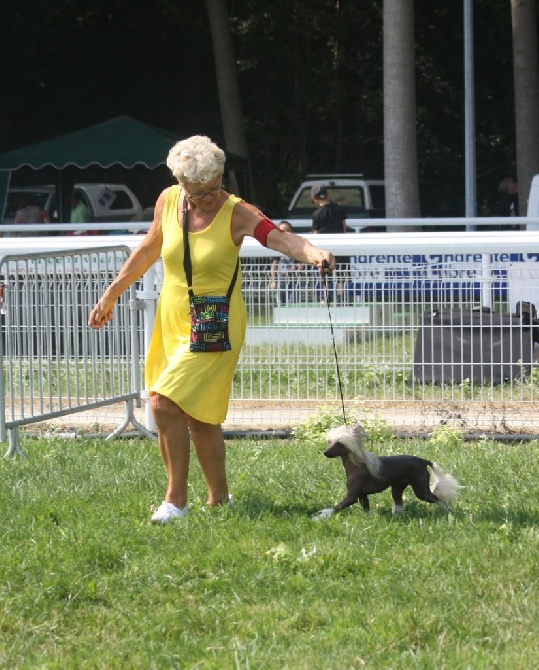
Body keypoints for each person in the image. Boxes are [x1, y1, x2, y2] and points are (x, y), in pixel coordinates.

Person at [88, 135, 335, 524]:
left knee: (163, 403)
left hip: (216, 320)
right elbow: (151, 247)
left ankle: (175, 501)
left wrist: (314, 252)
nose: (208, 198)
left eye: (214, 188)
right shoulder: (169, 200)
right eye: (198, 192)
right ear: (180, 182)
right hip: (172, 318)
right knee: (198, 415)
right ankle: (219, 500)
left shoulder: (237, 212)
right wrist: (113, 292)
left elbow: (282, 239)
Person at [310, 183, 349, 303]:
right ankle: (341, 297)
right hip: (340, 245)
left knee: (325, 272)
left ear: (314, 197)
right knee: (342, 271)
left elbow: (316, 233)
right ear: (327, 194)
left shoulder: (316, 214)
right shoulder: (339, 209)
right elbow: (344, 227)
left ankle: (326, 297)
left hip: (324, 247)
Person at [269, 221, 304, 304]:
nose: (285, 232)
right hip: (281, 281)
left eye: (287, 230)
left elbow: (301, 263)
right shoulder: (276, 247)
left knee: (294, 303)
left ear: (292, 232)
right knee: (281, 303)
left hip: (294, 281)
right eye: (282, 230)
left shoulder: (297, 246)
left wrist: (298, 267)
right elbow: (274, 265)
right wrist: (274, 281)